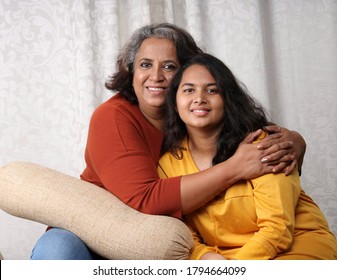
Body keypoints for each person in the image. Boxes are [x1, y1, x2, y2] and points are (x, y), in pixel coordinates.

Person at [31, 23, 306, 260]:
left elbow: (249, 138)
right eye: (145, 65)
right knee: (58, 249)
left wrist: (295, 141)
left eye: (170, 66)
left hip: (159, 241)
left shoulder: (197, 114)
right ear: (131, 71)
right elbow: (145, 198)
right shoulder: (113, 117)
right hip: (96, 232)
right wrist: (235, 167)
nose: (156, 76)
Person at [158, 53, 337, 260]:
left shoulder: (264, 144)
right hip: (229, 257)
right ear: (174, 100)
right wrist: (203, 255)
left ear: (227, 98)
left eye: (212, 90)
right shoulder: (167, 164)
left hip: (296, 246)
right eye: (189, 90)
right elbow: (183, 230)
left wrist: (236, 270)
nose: (199, 98)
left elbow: (277, 229)